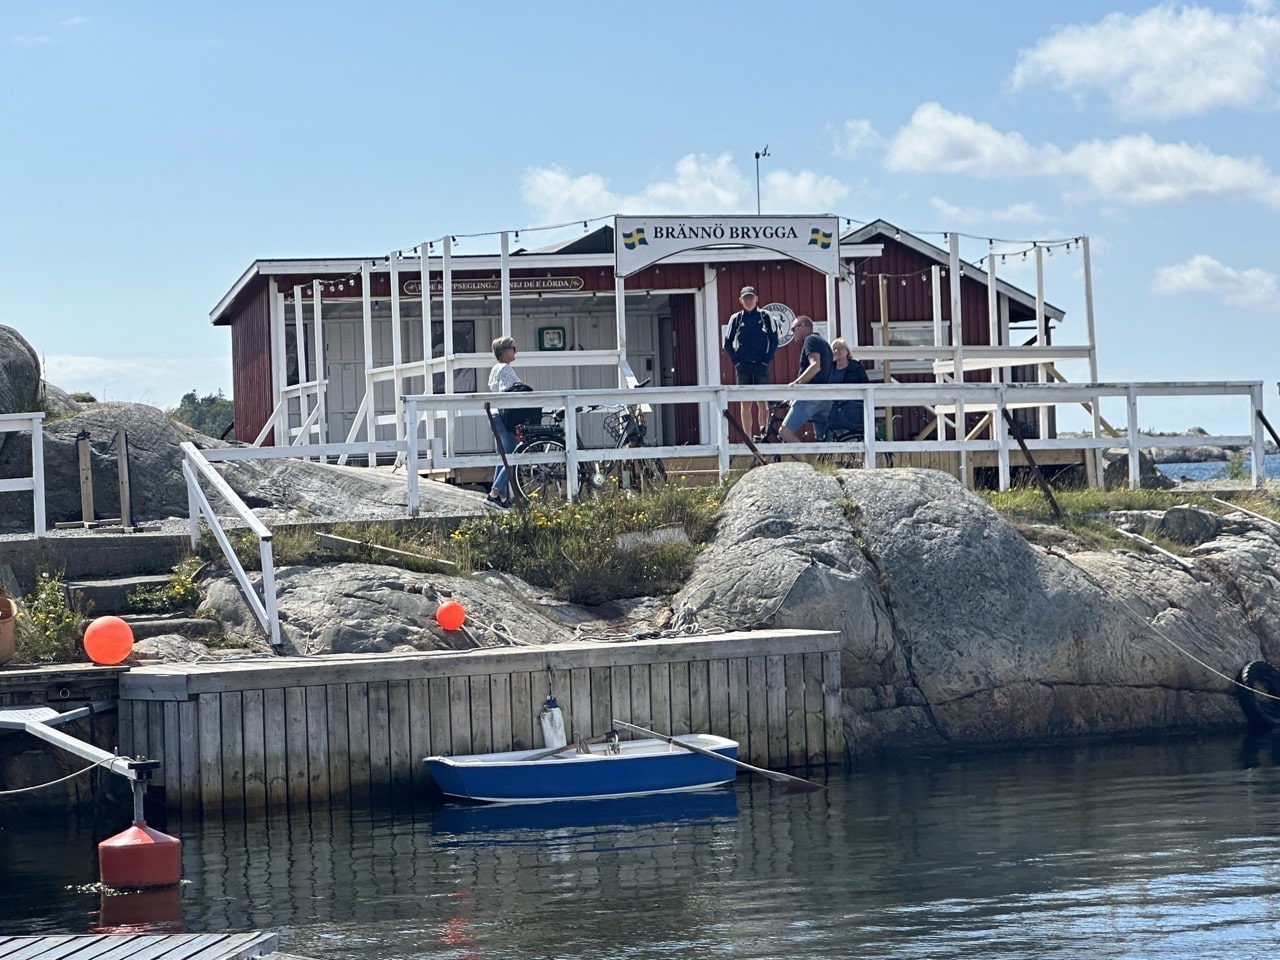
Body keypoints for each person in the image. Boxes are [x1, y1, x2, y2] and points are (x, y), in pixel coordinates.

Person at [722, 285, 777, 438]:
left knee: (762, 402)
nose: (748, 301)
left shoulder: (765, 316)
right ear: (740, 300)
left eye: (751, 298)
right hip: (743, 366)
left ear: (757, 299)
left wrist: (767, 360)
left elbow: (774, 340)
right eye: (745, 298)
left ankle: (763, 433)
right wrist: (736, 362)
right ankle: (747, 437)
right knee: (745, 403)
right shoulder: (736, 318)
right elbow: (727, 343)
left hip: (761, 365)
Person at [778, 315, 833, 444]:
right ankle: (828, 463)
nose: (792, 334)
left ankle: (805, 462)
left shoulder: (810, 340)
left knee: (784, 431)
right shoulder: (823, 342)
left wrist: (796, 384)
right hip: (825, 396)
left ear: (803, 326)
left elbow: (815, 366)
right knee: (823, 439)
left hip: (811, 396)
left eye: (793, 329)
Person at [485, 336, 524, 508]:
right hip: (503, 417)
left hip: (494, 416)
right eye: (513, 348)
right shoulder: (506, 369)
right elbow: (510, 391)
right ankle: (494, 493)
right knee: (513, 455)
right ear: (505, 351)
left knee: (504, 455)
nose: (515, 351)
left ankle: (499, 496)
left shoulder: (495, 369)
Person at [822, 337, 870, 440]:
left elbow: (865, 385)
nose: (837, 351)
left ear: (847, 351)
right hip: (832, 403)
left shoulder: (855, 367)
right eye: (834, 349)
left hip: (851, 404)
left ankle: (856, 454)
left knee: (853, 433)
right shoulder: (830, 368)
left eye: (840, 348)